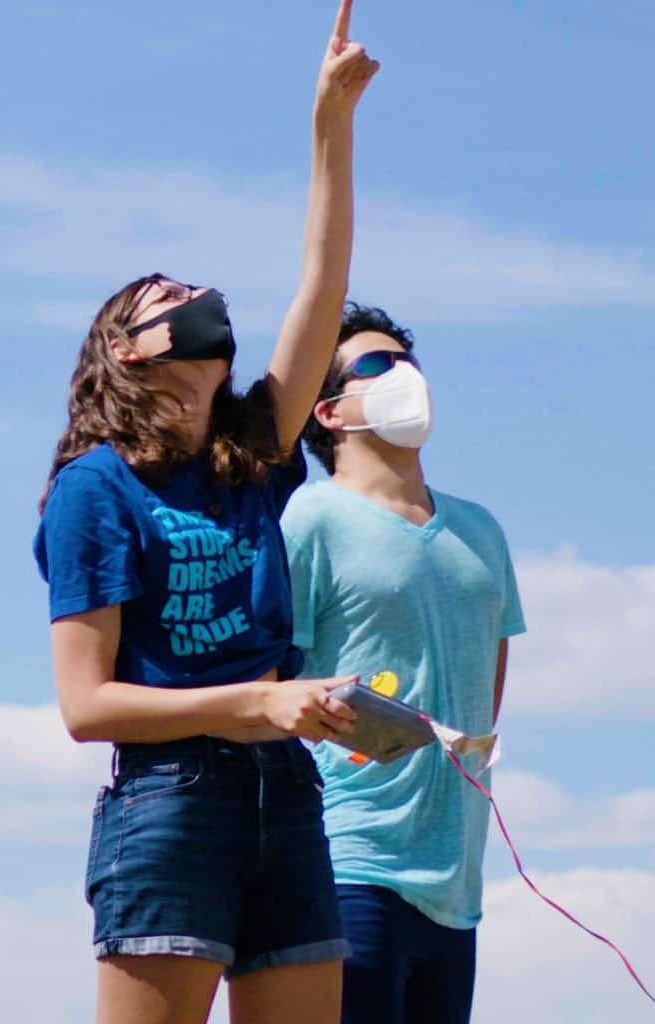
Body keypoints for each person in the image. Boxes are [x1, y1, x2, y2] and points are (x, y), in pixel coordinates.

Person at [33, 6, 378, 1023]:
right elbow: (86, 706)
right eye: (167, 295)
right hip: (168, 803)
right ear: (127, 349)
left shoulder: (253, 455)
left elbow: (325, 279)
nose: (200, 300)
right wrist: (257, 700)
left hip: (288, 796)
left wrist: (331, 122)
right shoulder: (95, 488)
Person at [281, 303, 527, 1024]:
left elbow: (489, 683)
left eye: (409, 361)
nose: (405, 376)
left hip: (459, 885)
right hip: (349, 859)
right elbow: (269, 686)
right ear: (327, 411)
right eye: (377, 365)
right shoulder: (310, 519)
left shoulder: (481, 529)